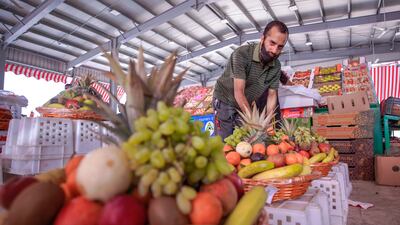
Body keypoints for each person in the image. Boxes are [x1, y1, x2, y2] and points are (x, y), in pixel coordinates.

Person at [212, 20, 289, 140]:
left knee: (247, 140)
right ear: (262, 39)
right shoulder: (242, 55)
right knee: (226, 140)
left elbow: (272, 95)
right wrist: (254, 122)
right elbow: (239, 92)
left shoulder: (276, 66)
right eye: (272, 43)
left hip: (244, 103)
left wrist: (268, 122)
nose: (274, 51)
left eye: (280, 47)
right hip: (225, 100)